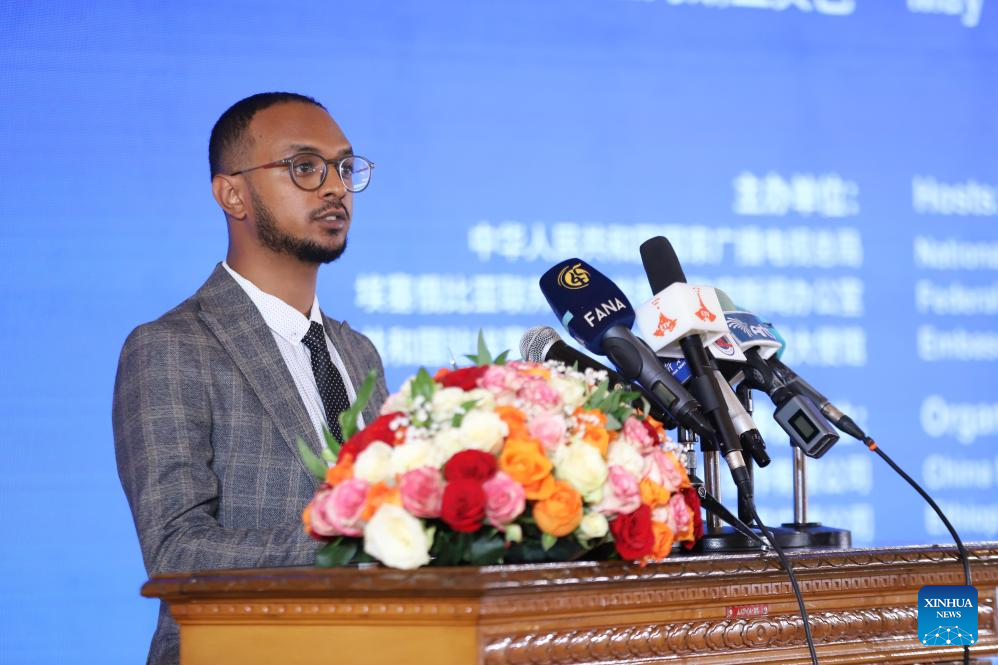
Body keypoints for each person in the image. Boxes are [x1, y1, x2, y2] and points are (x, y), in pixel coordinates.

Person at [112, 92, 388, 665]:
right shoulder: (171, 346)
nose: (334, 188)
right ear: (231, 194)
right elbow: (176, 550)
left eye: (343, 167)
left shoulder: (358, 351)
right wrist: (359, 540)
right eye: (304, 167)